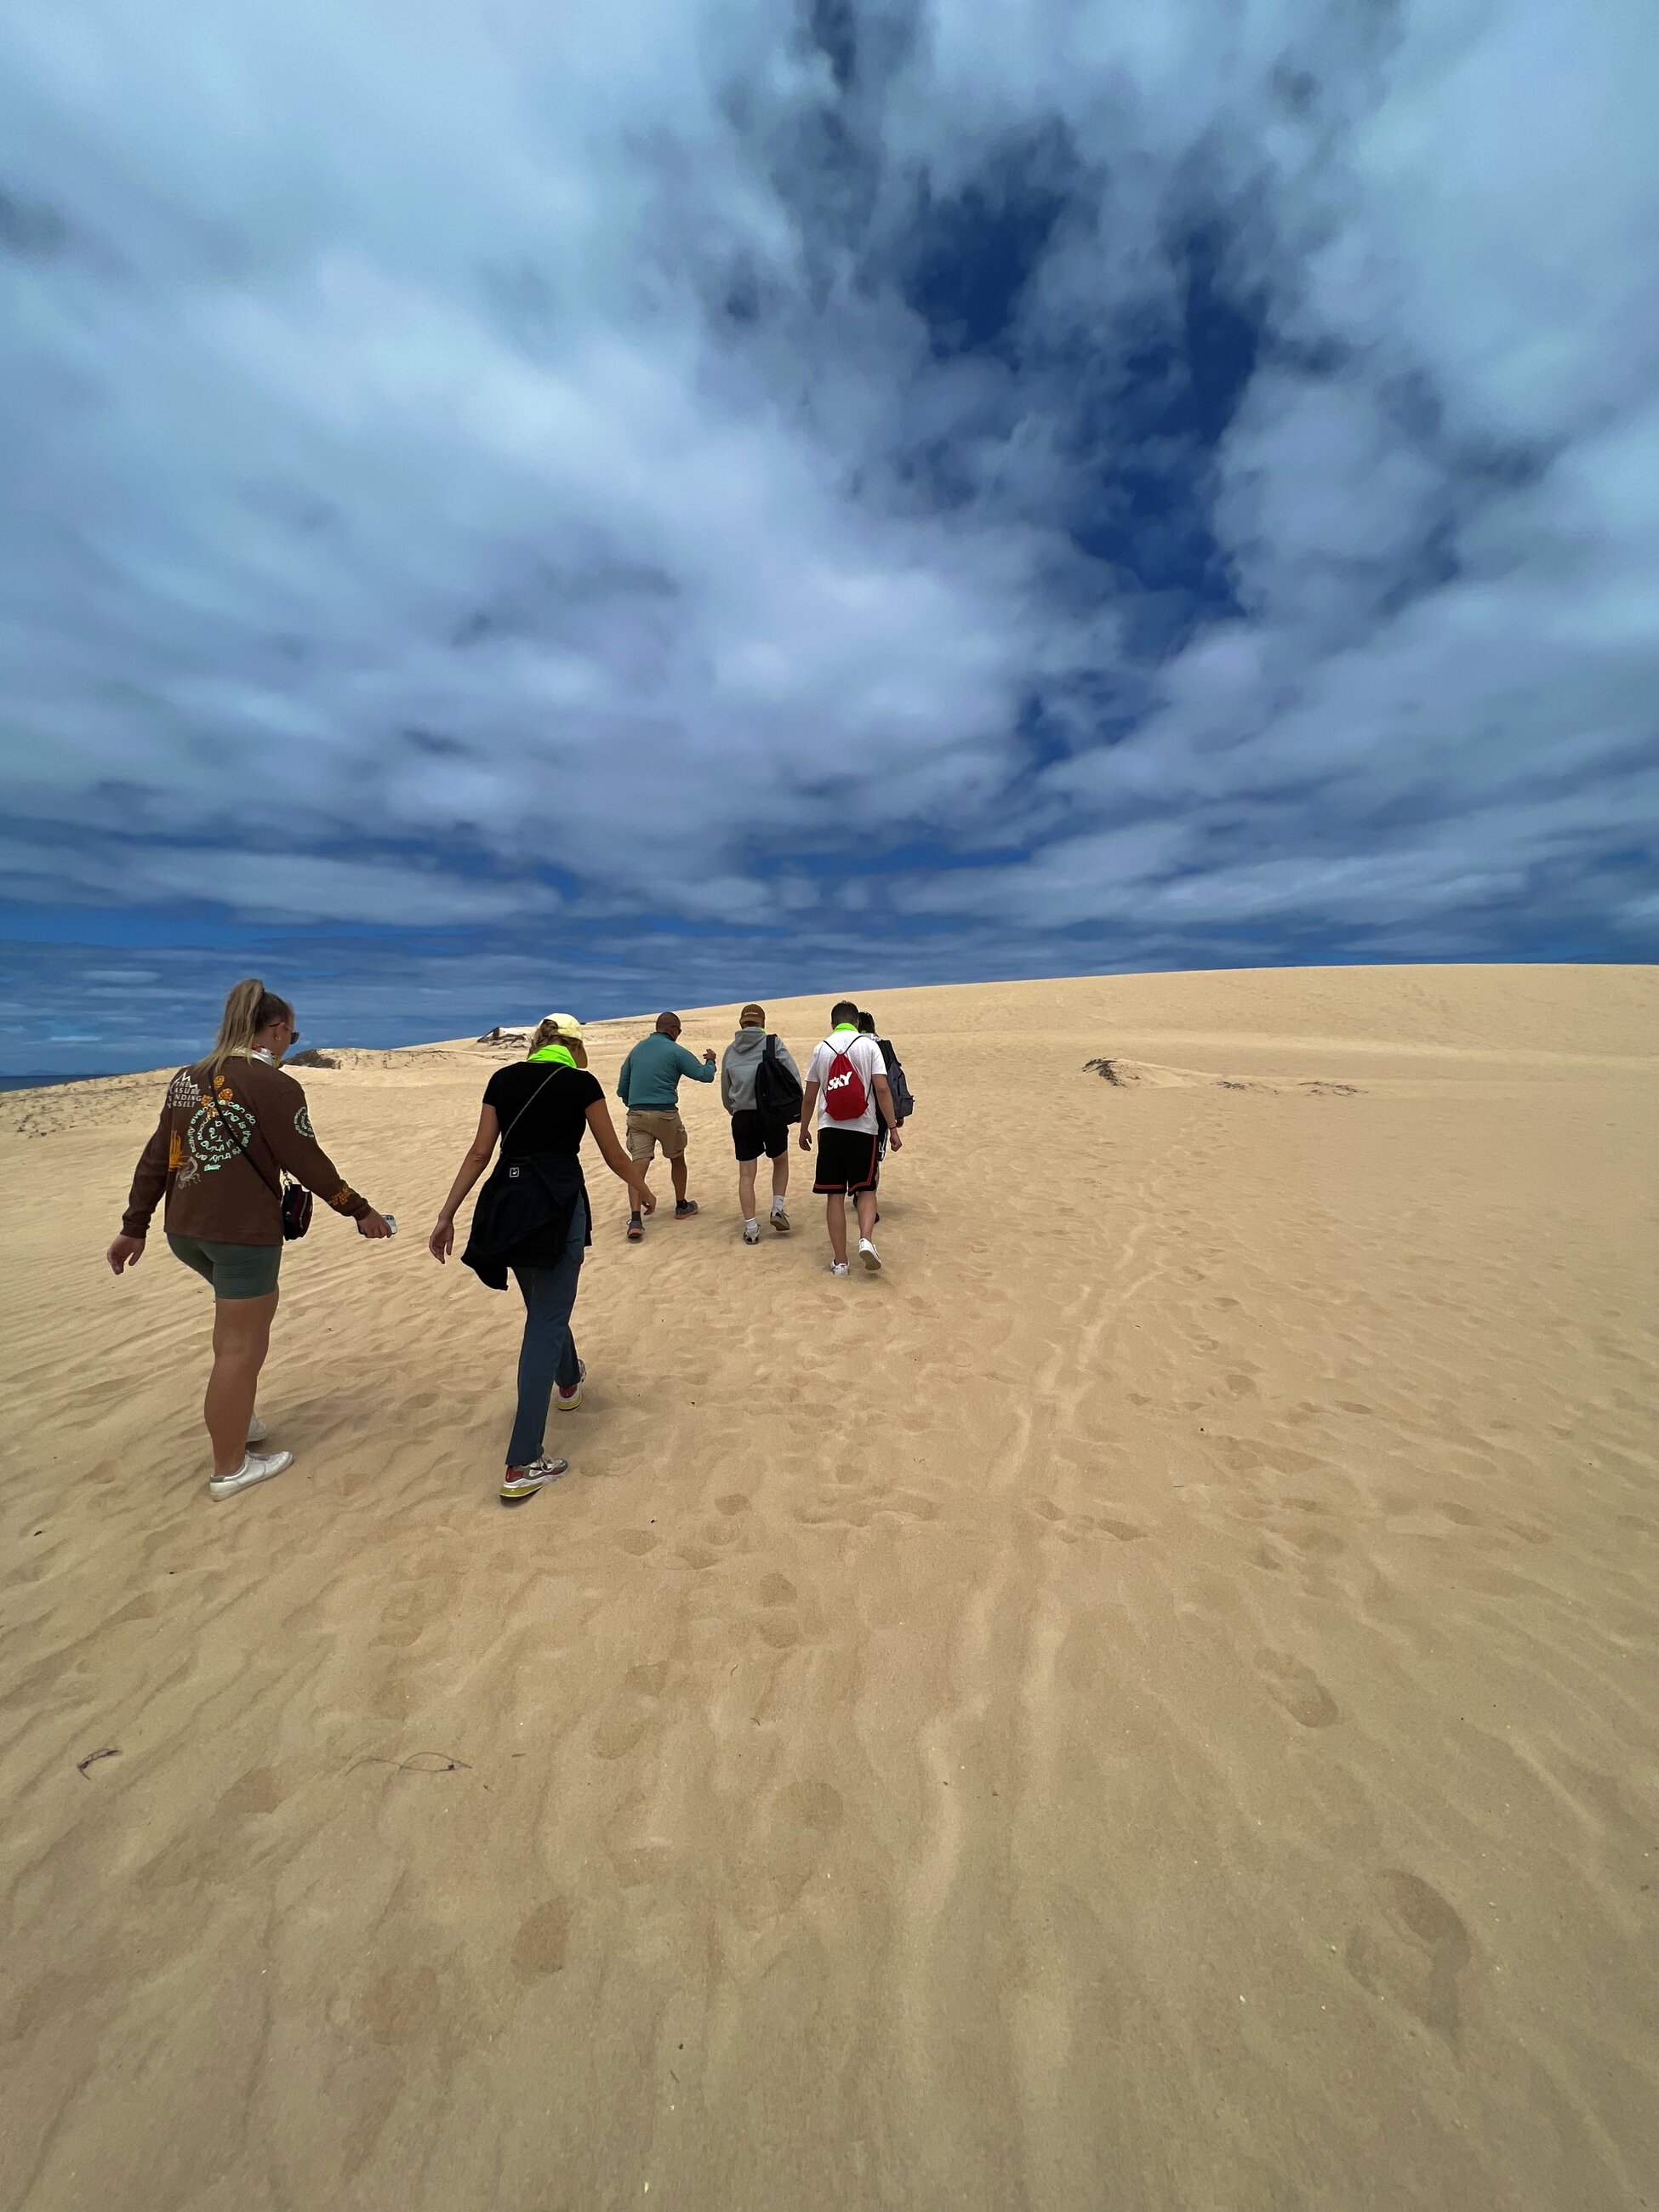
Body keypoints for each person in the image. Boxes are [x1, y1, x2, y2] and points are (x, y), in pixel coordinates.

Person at [105, 978, 394, 1501]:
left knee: (234, 1333)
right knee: (241, 1347)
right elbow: (307, 1163)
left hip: (185, 1230)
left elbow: (157, 1157)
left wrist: (134, 1225)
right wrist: (360, 1210)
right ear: (278, 1029)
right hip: (241, 1235)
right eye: (292, 1031)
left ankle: (241, 1420)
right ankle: (230, 1467)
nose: (291, 1039)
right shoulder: (276, 1084)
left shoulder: (186, 1078)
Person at [428, 1015, 653, 1502]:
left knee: (545, 1309)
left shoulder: (502, 1079)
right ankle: (523, 1461)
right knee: (547, 1318)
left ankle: (568, 1381)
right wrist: (642, 1188)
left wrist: (446, 1215)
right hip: (556, 1204)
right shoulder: (581, 1081)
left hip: (507, 1206)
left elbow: (478, 1154)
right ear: (572, 1045)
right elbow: (615, 1154)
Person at [798, 1000, 903, 1275]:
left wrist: (803, 1128)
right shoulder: (870, 1046)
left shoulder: (821, 1049)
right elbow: (882, 1089)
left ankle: (841, 1262)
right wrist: (892, 1128)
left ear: (832, 1024)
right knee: (866, 1189)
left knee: (834, 1194)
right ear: (857, 1023)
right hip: (864, 1129)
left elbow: (810, 1097)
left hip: (830, 1129)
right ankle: (866, 1239)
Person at [615, 1011, 716, 1240]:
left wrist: (632, 1103)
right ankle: (681, 1205)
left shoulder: (637, 1050)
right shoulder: (676, 1051)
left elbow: (622, 1086)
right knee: (676, 1157)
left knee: (637, 1167)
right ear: (673, 1030)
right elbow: (704, 1076)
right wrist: (711, 1060)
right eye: (678, 1031)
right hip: (666, 1114)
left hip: (637, 1113)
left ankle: (636, 1219)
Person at [720, 1003, 801, 1242]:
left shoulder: (730, 1050)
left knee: (747, 1174)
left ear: (741, 1024)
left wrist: (734, 1110)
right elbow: (793, 1077)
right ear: (763, 1023)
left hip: (742, 1116)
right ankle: (777, 1208)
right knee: (780, 1161)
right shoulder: (773, 1044)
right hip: (772, 1114)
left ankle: (751, 1228)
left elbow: (726, 1089)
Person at [858, 1007, 914, 1164]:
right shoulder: (884, 1047)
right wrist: (898, 1113)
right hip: (880, 1112)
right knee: (873, 1160)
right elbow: (895, 1081)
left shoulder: (849, 1047)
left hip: (851, 1112)